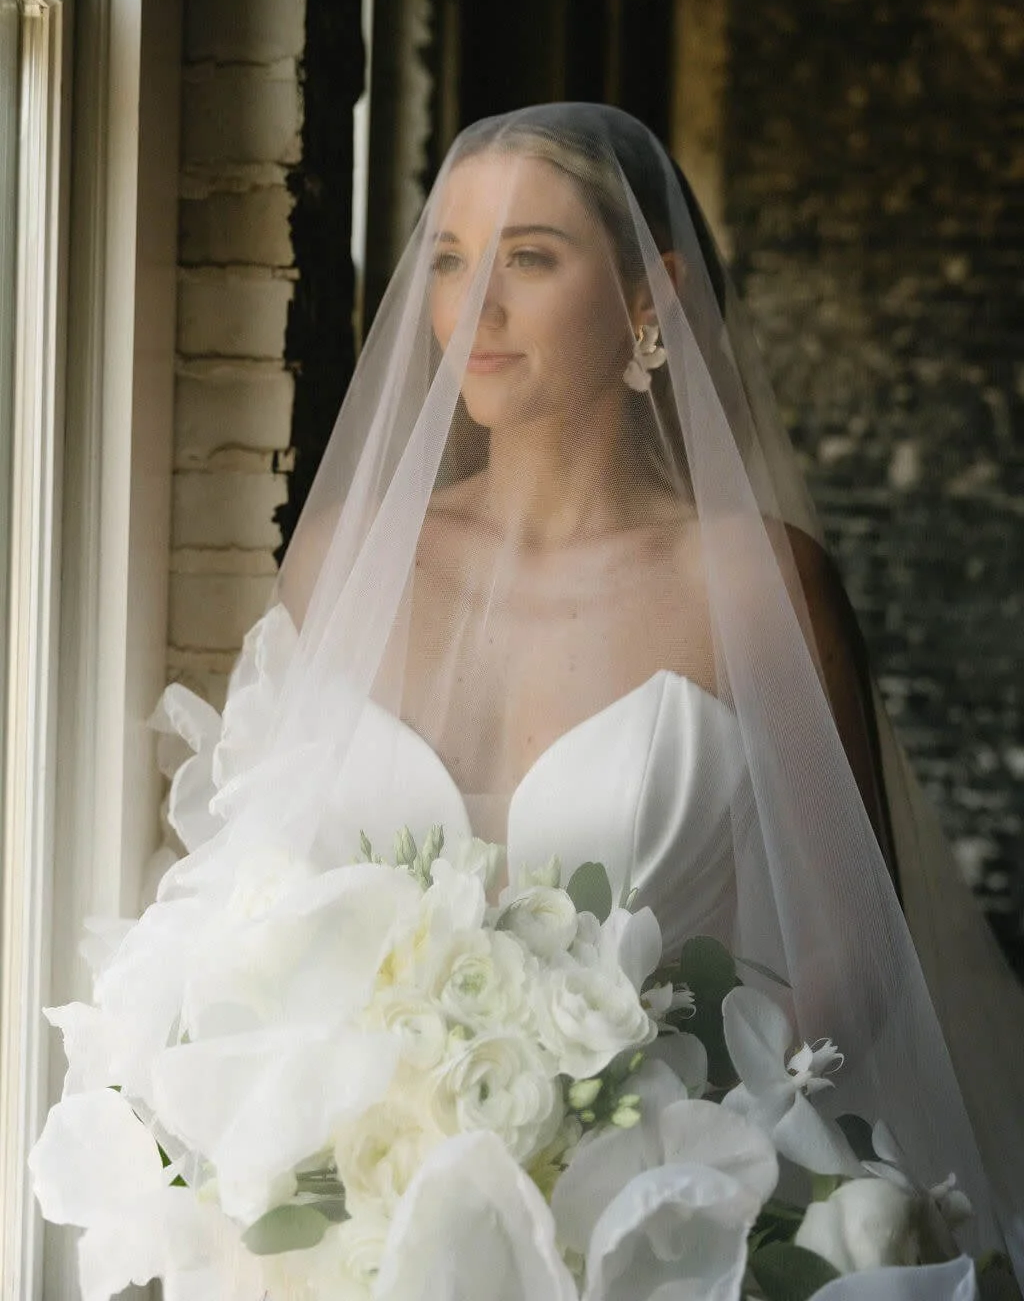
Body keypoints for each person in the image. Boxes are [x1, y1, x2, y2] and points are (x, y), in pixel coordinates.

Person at [157, 103, 1023, 1278]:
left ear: (647, 296)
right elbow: (255, 880)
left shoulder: (751, 581)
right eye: (453, 259)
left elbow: (855, 947)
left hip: (666, 1220)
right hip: (364, 1212)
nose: (476, 308)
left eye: (529, 257)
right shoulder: (347, 558)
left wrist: (664, 1150)